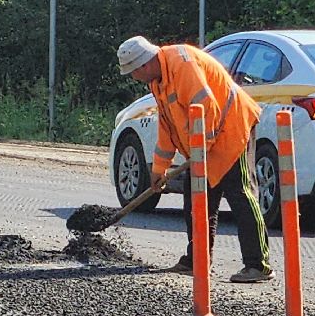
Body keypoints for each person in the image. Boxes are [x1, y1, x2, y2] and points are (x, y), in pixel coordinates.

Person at [117, 36, 273, 283]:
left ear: (143, 65)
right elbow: (167, 127)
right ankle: (197, 260)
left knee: (239, 193)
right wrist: (159, 169)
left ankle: (258, 265)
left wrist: (203, 147)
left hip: (231, 129)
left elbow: (205, 105)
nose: (133, 78)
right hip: (204, 141)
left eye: (133, 72)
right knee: (196, 200)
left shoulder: (182, 63)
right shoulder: (158, 81)